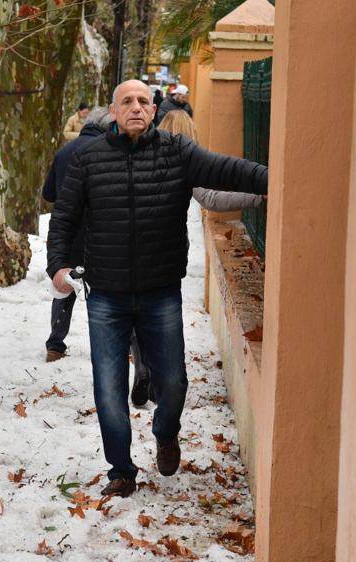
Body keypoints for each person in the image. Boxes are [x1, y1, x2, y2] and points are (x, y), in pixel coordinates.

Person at [47, 80, 267, 498]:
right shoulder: (87, 159)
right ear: (112, 111)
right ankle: (121, 471)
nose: (135, 107)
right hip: (106, 295)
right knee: (108, 387)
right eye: (126, 101)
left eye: (143, 101)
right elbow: (64, 218)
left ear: (153, 110)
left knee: (174, 382)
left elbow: (224, 168)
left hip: (159, 290)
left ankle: (166, 432)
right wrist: (57, 265)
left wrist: (272, 180)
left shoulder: (177, 151)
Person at [128, 109, 265, 407]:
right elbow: (213, 199)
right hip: (166, 256)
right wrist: (258, 197)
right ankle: (159, 375)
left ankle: (141, 366)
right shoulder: (186, 162)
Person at [42, 107, 113, 362]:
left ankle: (55, 344)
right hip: (98, 233)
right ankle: (112, 345)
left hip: (67, 232)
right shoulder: (107, 152)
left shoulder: (63, 152)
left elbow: (48, 194)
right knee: (104, 291)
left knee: (64, 287)